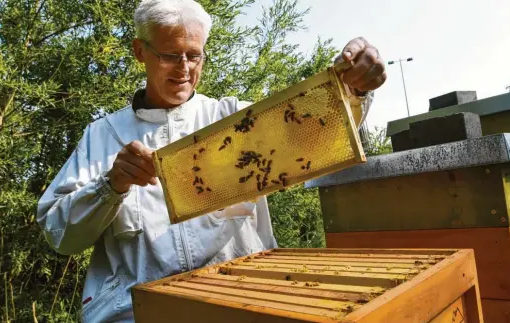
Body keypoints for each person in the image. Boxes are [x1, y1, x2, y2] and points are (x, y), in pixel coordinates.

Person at [36, 0, 387, 321]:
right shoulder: (102, 135)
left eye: (195, 55)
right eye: (170, 55)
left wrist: (353, 88)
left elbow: (316, 134)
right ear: (140, 51)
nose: (184, 69)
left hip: (243, 303)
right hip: (136, 313)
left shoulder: (232, 118)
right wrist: (110, 186)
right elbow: (60, 234)